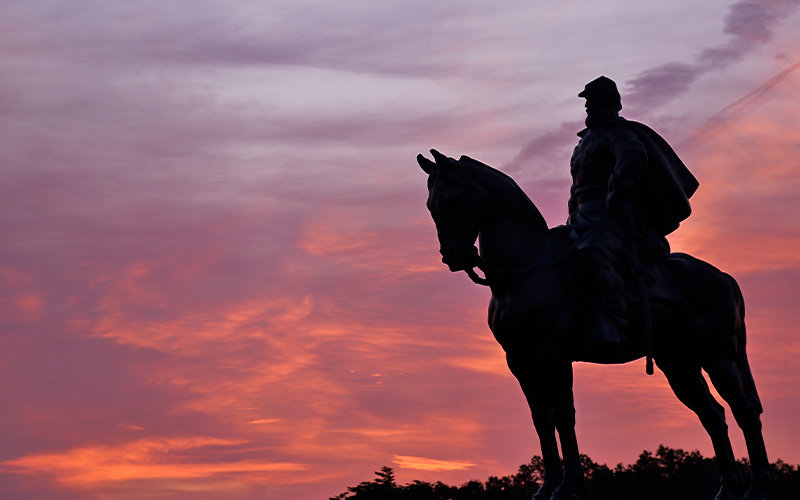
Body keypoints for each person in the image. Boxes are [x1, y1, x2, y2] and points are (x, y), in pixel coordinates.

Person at [567, 76, 698, 348]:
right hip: (582, 218)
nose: (589, 107)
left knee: (593, 251)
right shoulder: (584, 142)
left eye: (594, 101)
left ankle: (615, 323)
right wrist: (572, 213)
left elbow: (632, 157)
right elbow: (576, 186)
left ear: (610, 103)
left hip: (613, 217)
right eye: (588, 102)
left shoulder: (619, 133)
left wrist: (616, 190)